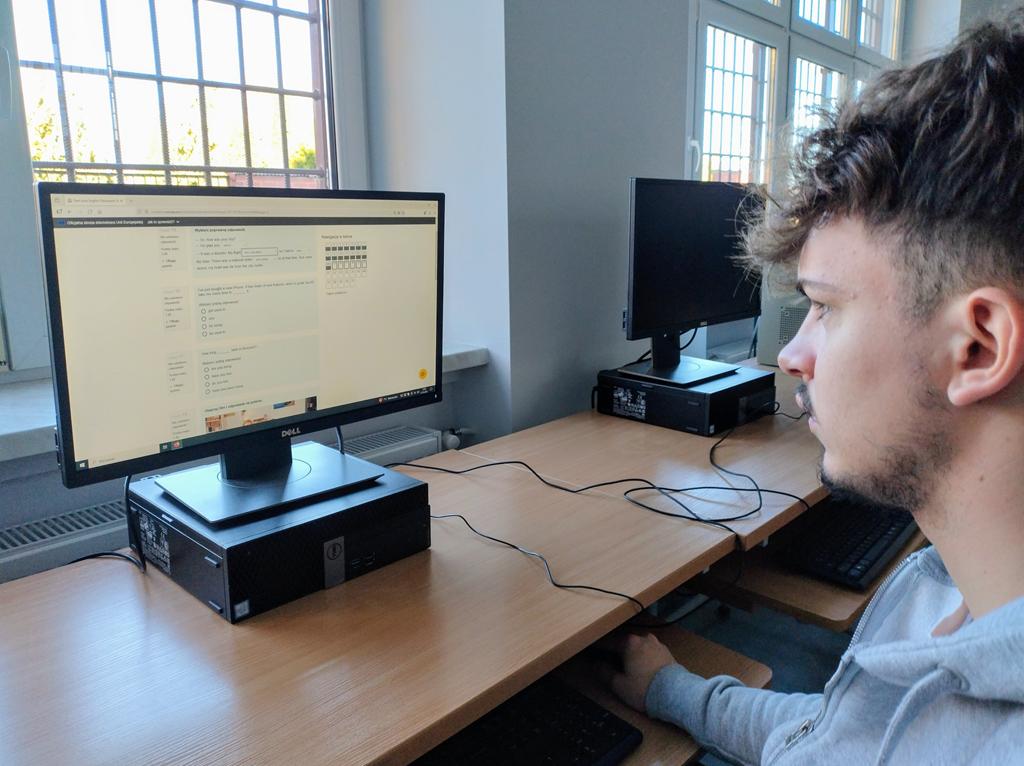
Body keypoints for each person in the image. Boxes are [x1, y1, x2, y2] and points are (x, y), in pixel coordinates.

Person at [603, 10, 1024, 765]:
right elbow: (834, 735)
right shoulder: (940, 581)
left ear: (977, 348)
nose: (792, 355)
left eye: (825, 307)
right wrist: (672, 690)